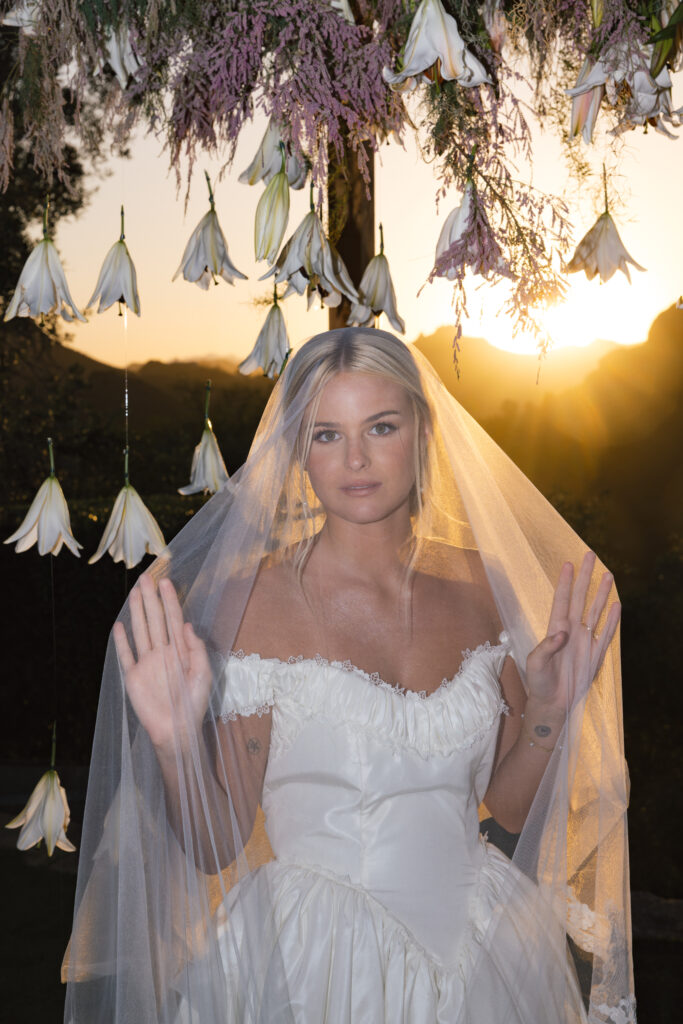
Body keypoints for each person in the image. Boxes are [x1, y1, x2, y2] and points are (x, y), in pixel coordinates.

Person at [64, 328, 635, 1024]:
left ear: (422, 434)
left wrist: (548, 708)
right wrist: (177, 742)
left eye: (381, 427)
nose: (355, 459)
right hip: (309, 965)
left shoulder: (486, 588)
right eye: (326, 434)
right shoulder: (251, 606)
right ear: (297, 450)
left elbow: (510, 809)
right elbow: (216, 847)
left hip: (486, 952)